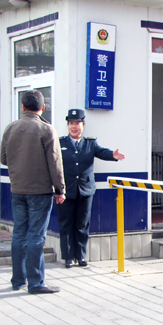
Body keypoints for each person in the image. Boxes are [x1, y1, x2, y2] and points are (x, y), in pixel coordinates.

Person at [0, 90, 66, 294]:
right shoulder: (46, 129)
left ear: (23, 107)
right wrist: (60, 189)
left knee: (19, 233)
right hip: (39, 191)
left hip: (18, 189)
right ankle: (36, 283)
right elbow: (55, 163)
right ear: (43, 108)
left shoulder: (10, 128)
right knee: (36, 236)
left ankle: (18, 280)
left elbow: (4, 159)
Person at [56, 109, 125, 268]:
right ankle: (68, 257)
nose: (74, 127)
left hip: (85, 191)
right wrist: (56, 188)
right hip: (65, 191)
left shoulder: (90, 143)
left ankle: (80, 256)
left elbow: (101, 152)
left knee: (82, 225)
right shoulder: (60, 143)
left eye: (77, 123)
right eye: (71, 123)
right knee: (66, 225)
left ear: (83, 125)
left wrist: (113, 155)